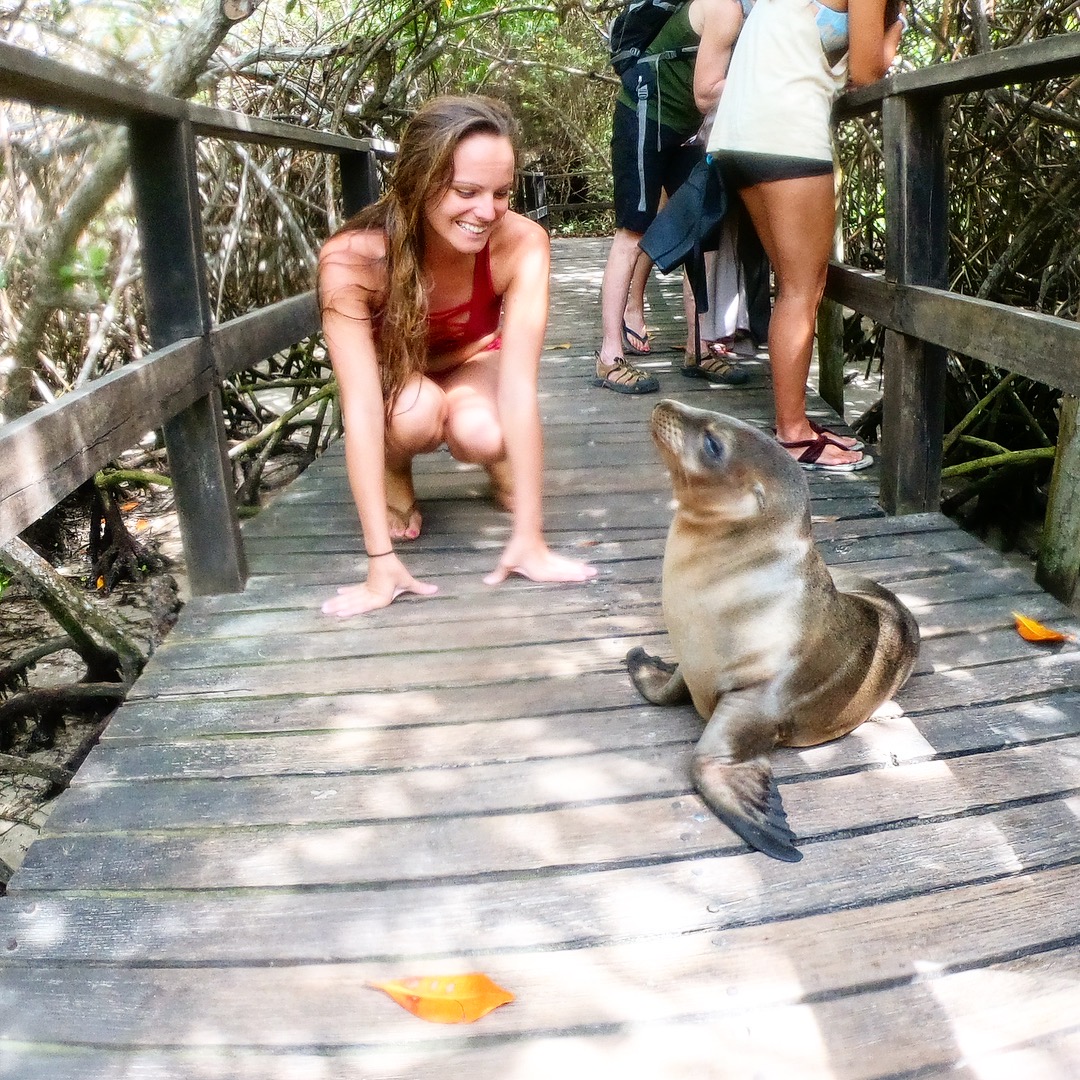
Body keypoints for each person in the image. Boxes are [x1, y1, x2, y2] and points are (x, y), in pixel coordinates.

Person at [317, 95, 597, 616]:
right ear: (418, 183)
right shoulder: (351, 260)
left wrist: (530, 537)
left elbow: (519, 388)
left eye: (501, 193)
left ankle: (498, 464)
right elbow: (359, 406)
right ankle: (395, 470)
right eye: (466, 192)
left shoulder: (523, 243)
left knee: (484, 434)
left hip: (474, 363)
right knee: (413, 414)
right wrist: (380, 563)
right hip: (403, 382)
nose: (486, 212)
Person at [708, 0, 905, 471]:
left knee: (793, 286)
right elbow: (866, 70)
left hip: (740, 134)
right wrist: (894, 29)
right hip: (786, 132)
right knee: (802, 288)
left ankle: (792, 421)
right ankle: (793, 433)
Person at [595, 0, 749, 393]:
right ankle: (610, 356)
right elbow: (705, 94)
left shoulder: (753, 16)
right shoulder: (726, 8)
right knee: (632, 232)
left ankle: (698, 348)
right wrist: (769, 80)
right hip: (644, 115)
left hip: (684, 131)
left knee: (703, 234)